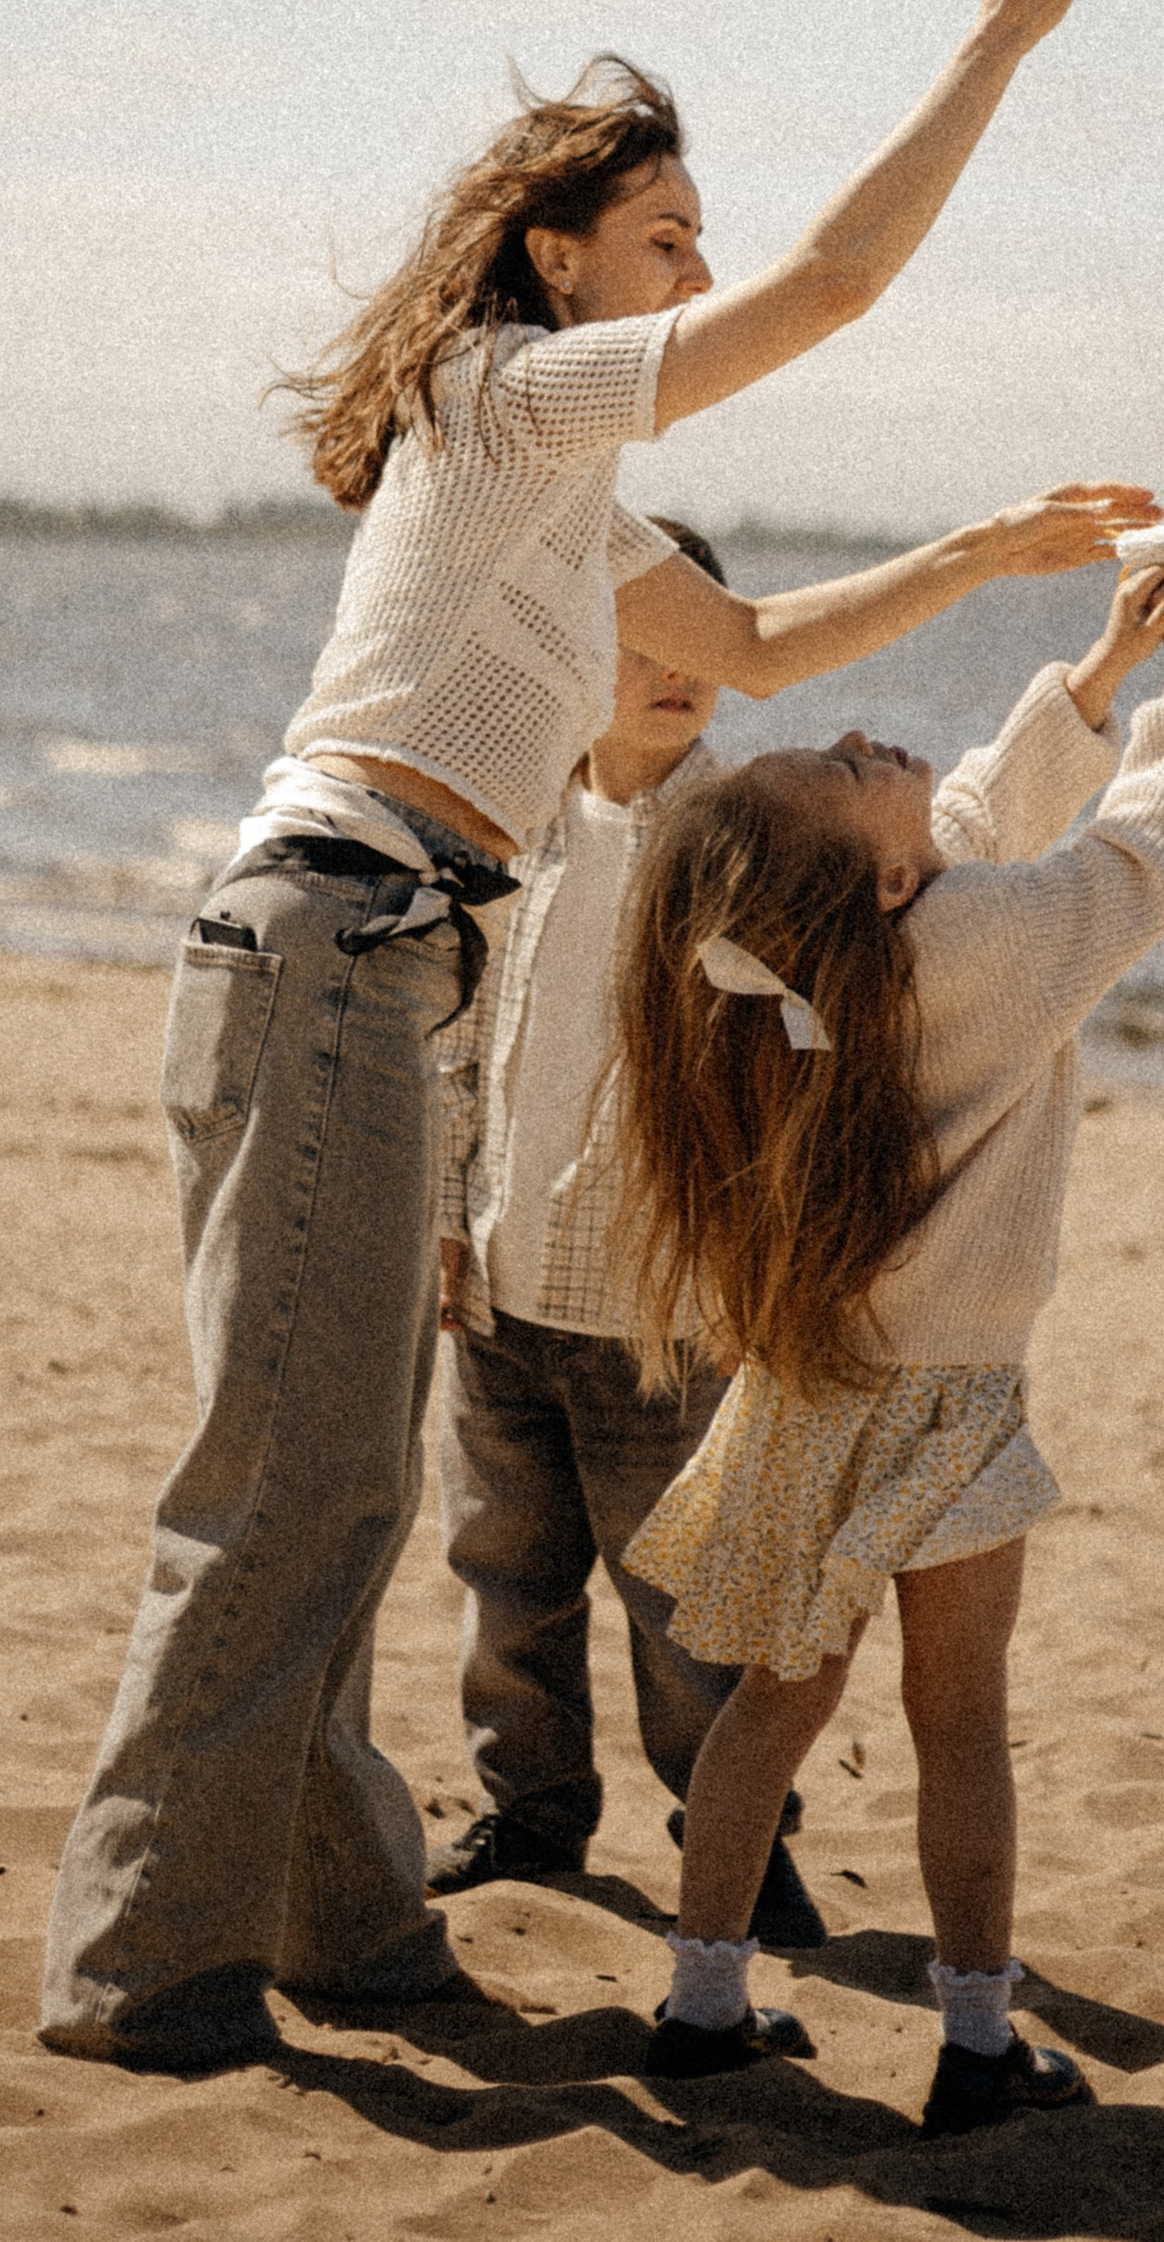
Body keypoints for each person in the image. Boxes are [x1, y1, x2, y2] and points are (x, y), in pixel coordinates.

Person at [40, 0, 1159, 2073]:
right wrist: (994, 46)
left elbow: (745, 655)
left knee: (342, 1489)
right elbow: (829, 294)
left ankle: (346, 1925)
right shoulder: (499, 395)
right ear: (555, 259)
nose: (687, 279)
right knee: (283, 1491)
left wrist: (982, 555)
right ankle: (139, 1965)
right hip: (333, 943)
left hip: (382, 974)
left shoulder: (563, 500)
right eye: (661, 239)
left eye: (689, 244)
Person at [610, 553, 1164, 2137]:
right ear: (876, 887)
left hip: (809, 1393)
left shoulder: (795, 982)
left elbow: (958, 827)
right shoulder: (983, 946)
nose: (868, 741)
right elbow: (1149, 859)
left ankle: (700, 2006)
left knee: (770, 1707)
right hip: (952, 1404)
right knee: (958, 1720)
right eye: (839, 770)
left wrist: (1091, 679)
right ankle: (974, 2047)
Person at [427, 516, 821, 1943]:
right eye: (641, 636)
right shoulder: (512, 818)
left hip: (664, 1307)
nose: (677, 667)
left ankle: (744, 1847)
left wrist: (752, 1277)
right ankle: (529, 1813)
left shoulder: (744, 841)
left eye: (704, 635)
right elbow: (462, 1035)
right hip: (500, 1281)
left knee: (689, 1614)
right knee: (507, 1576)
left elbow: (793, 1074)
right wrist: (446, 1225)